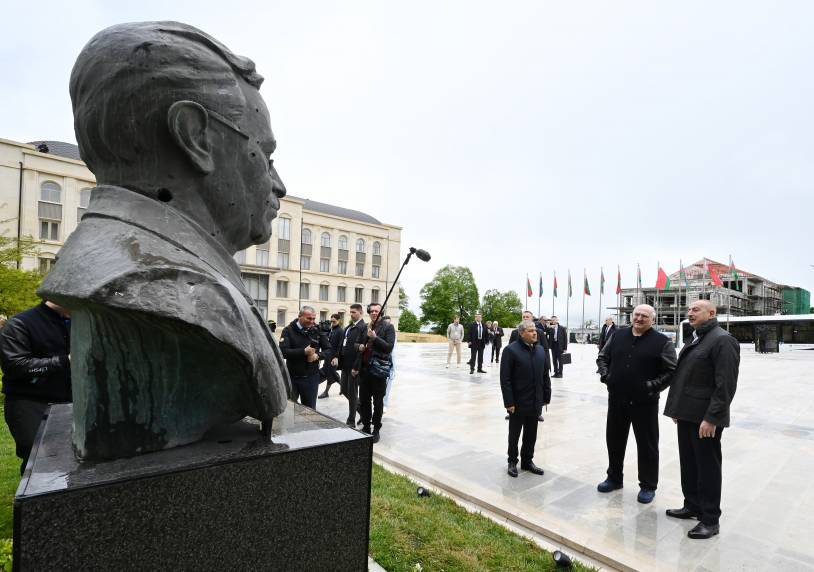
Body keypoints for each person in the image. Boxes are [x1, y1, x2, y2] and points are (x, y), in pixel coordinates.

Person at [37, 22, 290, 459]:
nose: (278, 184)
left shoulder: (127, 266)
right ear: (194, 137)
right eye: (264, 156)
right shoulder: (160, 287)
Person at [664, 300, 739, 539]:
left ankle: (710, 519)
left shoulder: (722, 340)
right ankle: (692, 505)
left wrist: (712, 419)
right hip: (687, 414)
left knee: (707, 467)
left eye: (696, 309)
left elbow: (725, 385)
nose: (690, 313)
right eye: (689, 310)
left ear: (712, 312)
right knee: (689, 463)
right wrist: (677, 408)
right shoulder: (696, 337)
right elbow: (685, 376)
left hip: (705, 419)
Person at [595, 305, 676, 503]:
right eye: (637, 315)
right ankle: (614, 478)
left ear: (652, 320)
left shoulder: (662, 342)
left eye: (644, 316)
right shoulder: (618, 335)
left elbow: (671, 370)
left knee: (647, 445)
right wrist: (607, 376)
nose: (639, 318)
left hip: (644, 403)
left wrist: (651, 386)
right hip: (617, 399)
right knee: (614, 441)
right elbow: (602, 357)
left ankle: (648, 485)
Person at [0, 301, 72, 474]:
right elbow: (14, 366)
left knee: (69, 457)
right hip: (29, 403)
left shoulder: (77, 321)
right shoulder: (20, 323)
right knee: (38, 460)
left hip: (68, 401)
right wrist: (65, 360)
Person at [500, 320, 552, 477]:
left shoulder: (541, 350)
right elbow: (505, 379)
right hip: (518, 402)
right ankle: (512, 461)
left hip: (535, 400)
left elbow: (545, 375)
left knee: (531, 434)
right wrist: (509, 402)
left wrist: (546, 396)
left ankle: (527, 461)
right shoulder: (511, 351)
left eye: (535, 330)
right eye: (530, 331)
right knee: (514, 434)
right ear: (521, 333)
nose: (534, 333)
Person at [356, 303, 396, 443]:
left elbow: (388, 348)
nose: (374, 313)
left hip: (379, 371)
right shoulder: (364, 327)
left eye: (376, 311)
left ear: (381, 312)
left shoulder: (388, 327)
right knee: (364, 401)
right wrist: (360, 346)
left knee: (378, 402)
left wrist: (375, 338)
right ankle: (366, 427)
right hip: (365, 370)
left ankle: (376, 428)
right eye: (371, 311)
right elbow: (356, 344)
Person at [279, 306, 330, 409]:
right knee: (288, 409)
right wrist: (303, 352)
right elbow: (283, 352)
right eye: (309, 318)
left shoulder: (317, 330)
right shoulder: (288, 330)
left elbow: (329, 350)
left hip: (311, 378)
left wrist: (317, 356)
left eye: (313, 318)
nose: (312, 321)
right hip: (292, 378)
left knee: (309, 412)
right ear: (299, 317)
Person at [339, 304, 367, 427]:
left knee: (352, 392)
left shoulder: (363, 328)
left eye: (354, 312)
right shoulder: (349, 327)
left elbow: (362, 350)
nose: (351, 314)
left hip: (354, 367)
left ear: (360, 313)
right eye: (350, 312)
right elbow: (342, 345)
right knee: (344, 390)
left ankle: (351, 420)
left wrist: (356, 367)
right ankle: (363, 412)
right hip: (345, 365)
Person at [318, 313, 343, 399]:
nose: (332, 323)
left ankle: (326, 392)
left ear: (339, 321)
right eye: (331, 321)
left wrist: (336, 357)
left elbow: (340, 345)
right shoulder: (331, 329)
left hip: (333, 356)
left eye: (334, 321)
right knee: (331, 373)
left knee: (330, 373)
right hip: (327, 355)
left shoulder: (340, 331)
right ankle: (343, 387)